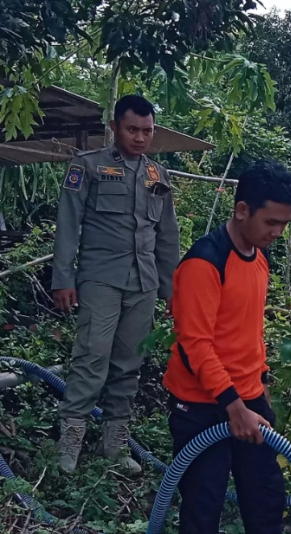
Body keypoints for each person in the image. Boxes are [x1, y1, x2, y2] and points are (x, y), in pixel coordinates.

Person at [162, 160, 291, 534]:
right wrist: (233, 406)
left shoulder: (258, 258)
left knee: (265, 502)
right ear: (242, 209)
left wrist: (254, 390)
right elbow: (195, 344)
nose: (277, 232)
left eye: (284, 223)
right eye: (271, 222)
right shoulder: (205, 262)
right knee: (202, 510)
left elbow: (244, 331)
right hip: (204, 407)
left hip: (248, 402)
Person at [51, 94, 180, 474]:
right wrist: (63, 278)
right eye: (133, 129)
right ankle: (69, 445)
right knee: (92, 358)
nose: (140, 138)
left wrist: (172, 290)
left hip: (144, 283)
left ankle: (115, 446)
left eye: (148, 131)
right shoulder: (88, 166)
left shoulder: (158, 175)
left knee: (129, 364)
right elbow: (68, 225)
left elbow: (167, 237)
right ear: (115, 128)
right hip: (100, 279)